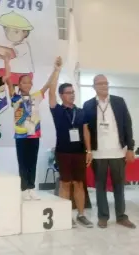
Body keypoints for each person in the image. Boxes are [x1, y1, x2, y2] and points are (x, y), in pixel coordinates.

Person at [83, 74, 136, 229]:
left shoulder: (119, 102)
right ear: (94, 87)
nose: (104, 86)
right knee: (100, 186)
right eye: (100, 83)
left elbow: (128, 125)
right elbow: (85, 129)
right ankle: (103, 217)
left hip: (118, 152)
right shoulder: (88, 105)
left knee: (119, 185)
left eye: (106, 83)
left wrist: (131, 148)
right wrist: (88, 150)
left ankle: (121, 216)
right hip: (98, 153)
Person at [6, 57, 61, 200]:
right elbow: (7, 81)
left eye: (29, 82)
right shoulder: (15, 98)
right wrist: (7, 62)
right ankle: (23, 188)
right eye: (23, 82)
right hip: (21, 135)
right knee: (22, 163)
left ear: (31, 85)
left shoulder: (36, 96)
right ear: (19, 84)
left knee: (32, 162)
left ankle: (31, 187)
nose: (27, 84)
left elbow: (48, 85)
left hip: (34, 135)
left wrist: (56, 69)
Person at [49, 72, 93, 227]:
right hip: (63, 151)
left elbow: (86, 131)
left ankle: (81, 214)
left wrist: (89, 151)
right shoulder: (57, 110)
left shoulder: (81, 112)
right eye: (68, 92)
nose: (72, 95)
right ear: (61, 95)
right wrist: (57, 69)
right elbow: (51, 91)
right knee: (65, 184)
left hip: (79, 152)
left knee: (79, 183)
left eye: (73, 92)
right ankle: (66, 216)